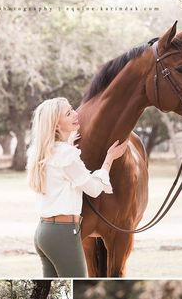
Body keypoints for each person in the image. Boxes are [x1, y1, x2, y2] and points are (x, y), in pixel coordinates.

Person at [27, 97, 127, 277]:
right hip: (63, 234)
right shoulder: (67, 155)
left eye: (72, 109)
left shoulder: (44, 152)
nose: (76, 114)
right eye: (68, 113)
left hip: (43, 232)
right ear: (56, 126)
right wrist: (109, 160)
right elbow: (94, 189)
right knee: (77, 282)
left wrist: (69, 143)